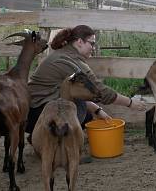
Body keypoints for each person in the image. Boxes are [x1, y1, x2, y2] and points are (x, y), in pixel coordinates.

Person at [26, 25, 148, 162]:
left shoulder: (65, 54)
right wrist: (130, 103)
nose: (94, 47)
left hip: (35, 110)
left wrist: (97, 109)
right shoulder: (69, 61)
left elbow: (73, 92)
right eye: (92, 43)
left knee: (87, 115)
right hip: (35, 113)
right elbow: (100, 90)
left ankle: (40, 138)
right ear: (79, 42)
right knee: (80, 110)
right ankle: (59, 150)